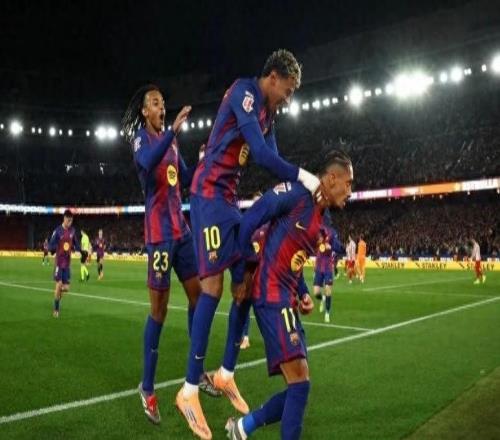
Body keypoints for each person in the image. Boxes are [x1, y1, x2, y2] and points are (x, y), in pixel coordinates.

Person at [176, 49, 322, 440]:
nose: (288, 98)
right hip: (208, 194)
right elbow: (258, 153)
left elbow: (272, 158)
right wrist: (305, 177)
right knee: (213, 286)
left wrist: (297, 189)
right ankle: (189, 389)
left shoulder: (268, 113)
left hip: (228, 200)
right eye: (287, 90)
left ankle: (225, 373)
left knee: (250, 275)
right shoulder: (245, 93)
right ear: (273, 77)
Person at [226, 150, 353, 439]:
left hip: (286, 298)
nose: (350, 191)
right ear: (332, 178)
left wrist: (303, 291)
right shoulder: (295, 194)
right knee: (299, 383)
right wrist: (241, 274)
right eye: (348, 184)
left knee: (299, 385)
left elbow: (294, 258)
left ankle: (242, 428)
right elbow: (250, 220)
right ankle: (243, 427)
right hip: (270, 295)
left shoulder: (323, 217)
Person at [123, 84, 217, 425]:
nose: (161, 107)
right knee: (159, 312)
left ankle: (196, 372)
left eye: (162, 102)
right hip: (160, 236)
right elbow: (147, 163)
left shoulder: (172, 143)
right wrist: (172, 131)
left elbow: (185, 178)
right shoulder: (142, 140)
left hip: (182, 231)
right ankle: (147, 388)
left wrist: (204, 161)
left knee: (199, 296)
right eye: (155, 103)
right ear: (145, 111)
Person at [48, 210, 80, 317]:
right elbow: (51, 244)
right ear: (64, 218)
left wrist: (81, 251)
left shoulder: (72, 231)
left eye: (71, 221)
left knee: (66, 288)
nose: (70, 222)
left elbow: (76, 244)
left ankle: (57, 296)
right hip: (59, 262)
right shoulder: (57, 231)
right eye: (68, 220)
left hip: (67, 263)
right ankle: (56, 309)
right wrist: (52, 249)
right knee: (59, 284)